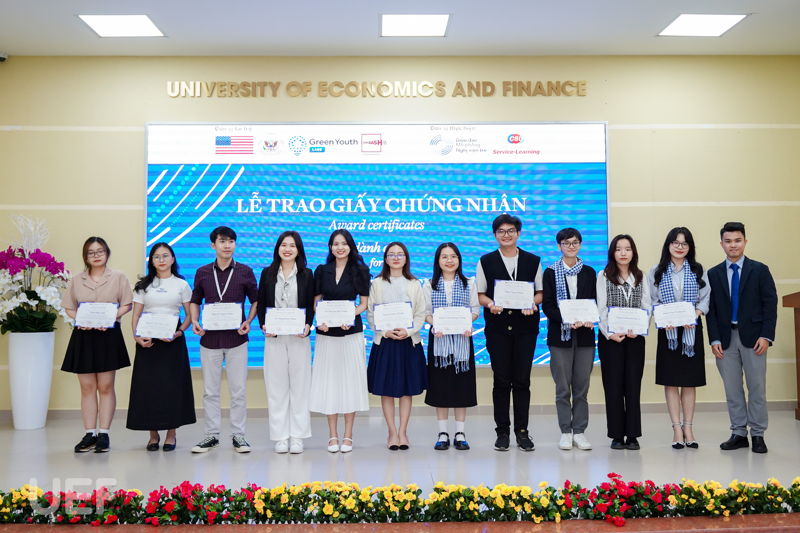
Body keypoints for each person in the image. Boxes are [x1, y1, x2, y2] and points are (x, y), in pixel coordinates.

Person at [706, 222, 777, 454]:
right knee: (732, 389)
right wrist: (714, 339)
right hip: (725, 340)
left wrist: (766, 335)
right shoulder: (713, 274)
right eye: (728, 241)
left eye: (737, 240)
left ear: (745, 242)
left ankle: (758, 434)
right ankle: (738, 433)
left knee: (757, 388)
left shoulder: (760, 270)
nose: (733, 245)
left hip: (755, 339)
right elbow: (711, 310)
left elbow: (770, 305)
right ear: (721, 244)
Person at [476, 214, 543, 452]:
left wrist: (533, 303)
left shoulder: (533, 260)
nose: (506, 235)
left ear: (518, 233)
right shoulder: (486, 261)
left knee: (522, 380)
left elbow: (540, 292)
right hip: (498, 329)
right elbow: (480, 294)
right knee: (502, 380)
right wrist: (490, 304)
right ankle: (502, 432)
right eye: (501, 231)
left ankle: (522, 432)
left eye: (511, 230)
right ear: (495, 235)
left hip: (526, 329)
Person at [189, 226, 258, 454]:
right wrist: (195, 321)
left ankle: (239, 436)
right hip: (209, 340)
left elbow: (256, 300)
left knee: (238, 391)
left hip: (237, 339)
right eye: (222, 241)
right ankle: (211, 435)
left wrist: (248, 320)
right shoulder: (202, 272)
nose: (227, 245)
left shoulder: (245, 271)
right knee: (210, 391)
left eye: (231, 241)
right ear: (213, 245)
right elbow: (195, 300)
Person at [61, 237, 132, 453]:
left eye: (100, 251)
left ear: (107, 253)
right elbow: (69, 307)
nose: (96, 255)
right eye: (91, 252)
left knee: (106, 386)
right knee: (87, 387)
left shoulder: (118, 277)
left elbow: (127, 304)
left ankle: (104, 434)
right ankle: (89, 433)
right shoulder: (76, 280)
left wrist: (109, 317)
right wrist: (80, 319)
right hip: (83, 336)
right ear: (85, 256)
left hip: (107, 335)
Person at [127, 242, 196, 451]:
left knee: (172, 387)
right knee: (149, 388)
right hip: (148, 340)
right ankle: (153, 435)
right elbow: (136, 315)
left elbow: (190, 315)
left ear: (173, 259)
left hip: (172, 340)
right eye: (157, 256)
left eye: (166, 255)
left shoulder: (181, 284)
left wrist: (180, 331)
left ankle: (171, 434)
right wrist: (136, 336)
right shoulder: (143, 285)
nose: (161, 260)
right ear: (152, 261)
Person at [309, 229, 370, 453]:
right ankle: (333, 435)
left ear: (350, 246)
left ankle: (348, 435)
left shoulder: (360, 270)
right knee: (330, 383)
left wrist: (350, 315)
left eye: (344, 243)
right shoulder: (321, 270)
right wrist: (320, 319)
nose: (340, 247)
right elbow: (316, 302)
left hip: (350, 333)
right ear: (330, 247)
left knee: (350, 383)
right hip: (327, 334)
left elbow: (364, 303)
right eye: (336, 244)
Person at [648, 227, 709, 450]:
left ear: (690, 247)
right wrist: (664, 318)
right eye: (675, 243)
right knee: (671, 380)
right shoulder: (656, 271)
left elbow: (705, 299)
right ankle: (676, 428)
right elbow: (652, 300)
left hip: (691, 332)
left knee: (690, 381)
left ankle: (688, 428)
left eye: (684, 243)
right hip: (669, 332)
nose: (680, 247)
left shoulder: (698, 269)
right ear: (668, 245)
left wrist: (696, 313)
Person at [257, 231, 314, 454]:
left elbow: (310, 304)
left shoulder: (307, 274)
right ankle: (280, 436)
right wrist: (263, 325)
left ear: (299, 250)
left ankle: (297, 436)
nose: (287, 249)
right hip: (275, 338)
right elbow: (261, 302)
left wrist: (308, 324)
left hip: (299, 337)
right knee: (276, 387)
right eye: (283, 245)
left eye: (292, 245)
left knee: (300, 387)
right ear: (277, 248)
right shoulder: (267, 273)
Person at [367, 242, 428, 450]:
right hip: (385, 342)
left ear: (406, 258)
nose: (395, 258)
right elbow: (371, 314)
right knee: (386, 390)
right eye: (391, 254)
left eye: (400, 254)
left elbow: (420, 313)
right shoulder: (376, 283)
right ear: (385, 259)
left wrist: (408, 331)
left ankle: (403, 432)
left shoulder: (414, 283)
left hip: (408, 342)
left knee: (406, 391)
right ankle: (392, 432)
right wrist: (385, 332)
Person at [541, 228, 597, 451]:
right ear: (559, 246)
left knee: (582, 387)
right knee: (563, 388)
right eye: (566, 243)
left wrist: (588, 318)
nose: (571, 246)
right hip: (559, 337)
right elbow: (548, 306)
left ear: (580, 245)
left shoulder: (590, 272)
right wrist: (567, 319)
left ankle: (580, 431)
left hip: (584, 337)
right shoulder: (549, 272)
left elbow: (594, 301)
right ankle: (565, 431)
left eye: (575, 243)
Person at [423, 242, 479, 451]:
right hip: (439, 343)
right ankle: (443, 433)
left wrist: (467, 323)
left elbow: (475, 309)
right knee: (441, 387)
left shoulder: (469, 283)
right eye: (444, 257)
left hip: (463, 341)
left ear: (459, 259)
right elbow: (426, 312)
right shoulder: (429, 284)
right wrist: (434, 324)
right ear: (438, 261)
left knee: (461, 387)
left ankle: (460, 433)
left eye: (453, 256)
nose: (449, 260)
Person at [596, 234, 651, 450]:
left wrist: (639, 329)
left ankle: (633, 435)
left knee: (633, 387)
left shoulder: (641, 276)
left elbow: (647, 306)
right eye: (618, 249)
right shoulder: (603, 276)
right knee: (613, 387)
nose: (623, 253)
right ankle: (617, 435)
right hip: (611, 340)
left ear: (633, 252)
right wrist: (609, 333)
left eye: (627, 249)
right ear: (613, 253)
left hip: (635, 339)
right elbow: (601, 308)